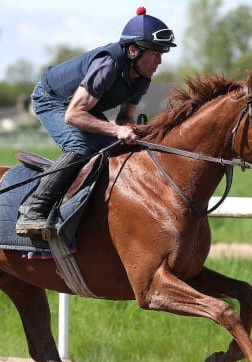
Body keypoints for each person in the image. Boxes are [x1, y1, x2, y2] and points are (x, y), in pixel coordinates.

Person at [15, 6, 176, 238]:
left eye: (163, 54)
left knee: (120, 149)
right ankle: (33, 210)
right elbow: (73, 115)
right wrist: (116, 130)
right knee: (79, 147)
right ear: (133, 50)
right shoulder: (107, 65)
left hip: (79, 107)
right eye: (155, 53)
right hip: (54, 100)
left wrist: (131, 129)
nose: (159, 61)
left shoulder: (144, 77)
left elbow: (125, 118)